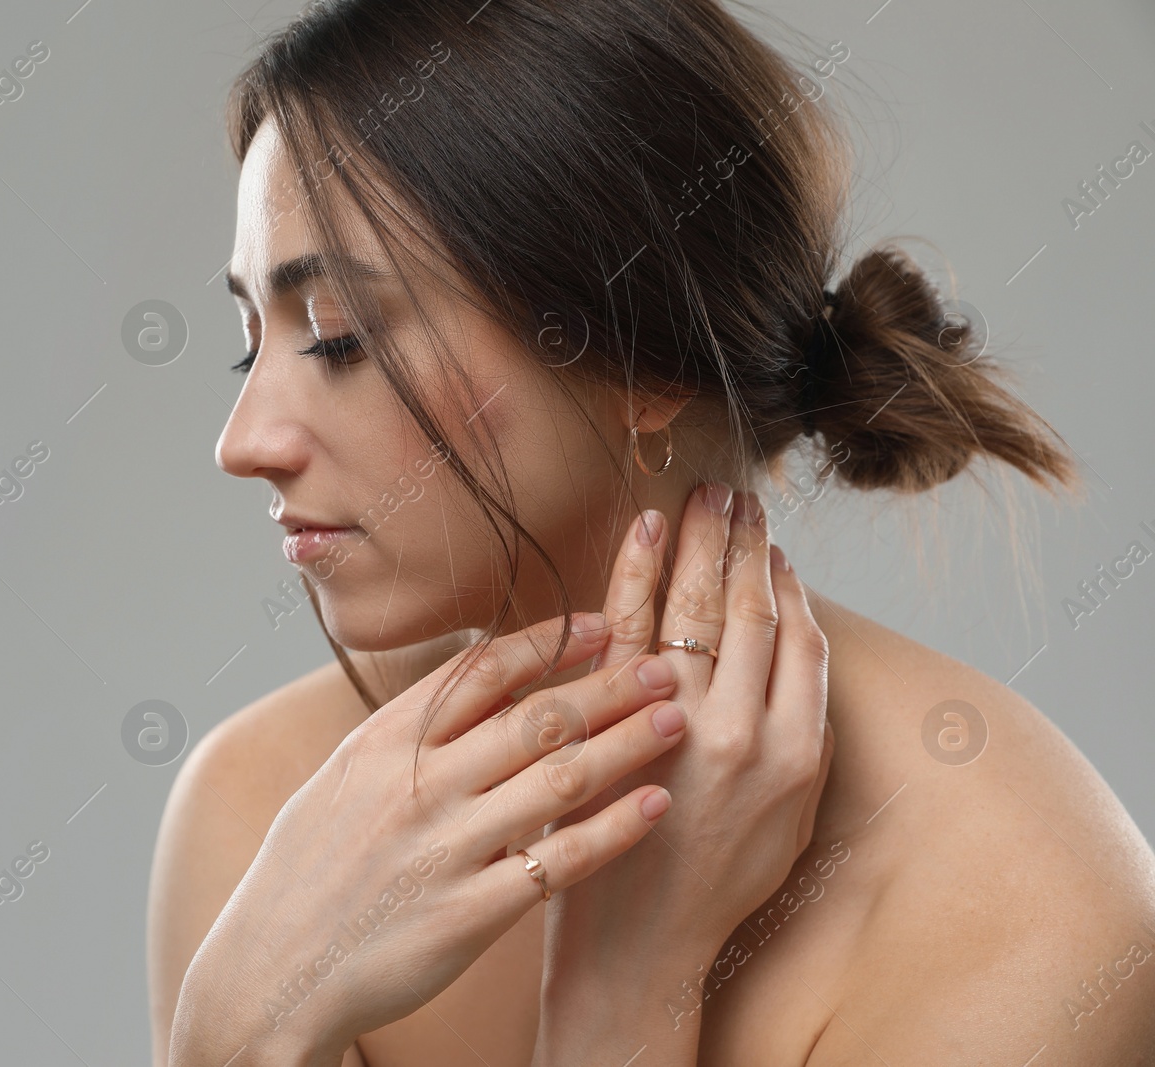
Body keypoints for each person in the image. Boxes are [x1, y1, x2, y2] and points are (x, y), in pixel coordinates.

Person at [150, 1, 1155, 1062]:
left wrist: (618, 996)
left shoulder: (1020, 911)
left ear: (644, 360)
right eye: (246, 344)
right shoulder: (266, 811)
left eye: (339, 339)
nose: (243, 439)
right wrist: (235, 1026)